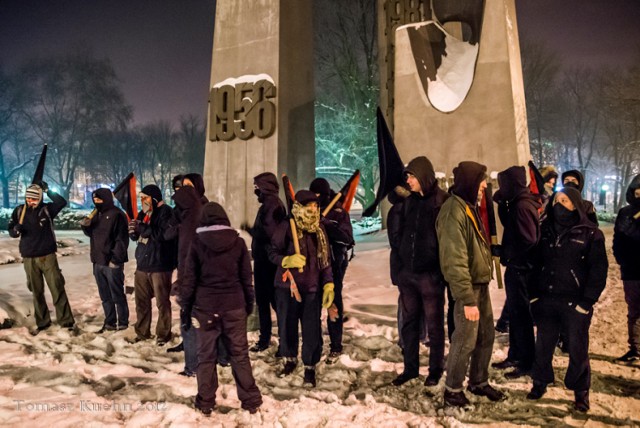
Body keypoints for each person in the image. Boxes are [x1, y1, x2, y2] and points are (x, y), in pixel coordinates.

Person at [527, 187, 608, 412]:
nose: (560, 205)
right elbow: (533, 265)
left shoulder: (590, 233)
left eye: (565, 200)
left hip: (576, 303)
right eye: (556, 200)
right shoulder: (544, 230)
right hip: (546, 299)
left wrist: (587, 301)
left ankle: (581, 391)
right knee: (543, 344)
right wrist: (533, 295)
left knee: (578, 348)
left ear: (576, 204)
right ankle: (540, 381)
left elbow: (598, 270)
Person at [180, 202, 262, 416]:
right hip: (234, 306)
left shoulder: (197, 243)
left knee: (205, 356)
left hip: (205, 308)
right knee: (239, 355)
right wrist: (248, 304)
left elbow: (189, 280)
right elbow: (246, 278)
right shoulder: (238, 243)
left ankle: (205, 401)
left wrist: (186, 309)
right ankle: (251, 400)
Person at [436, 161, 505, 407]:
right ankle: (453, 389)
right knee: (465, 339)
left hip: (480, 284)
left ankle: (479, 381)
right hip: (468, 288)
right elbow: (454, 259)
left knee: (485, 336)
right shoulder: (453, 211)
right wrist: (466, 298)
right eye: (481, 180)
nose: (484, 185)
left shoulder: (468, 207)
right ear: (469, 182)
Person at [387, 156, 449, 387]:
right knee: (409, 323)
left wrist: (439, 270)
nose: (408, 181)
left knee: (434, 325)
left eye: (411, 176)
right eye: (407, 176)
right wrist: (402, 268)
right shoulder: (409, 202)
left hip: (431, 275)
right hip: (408, 275)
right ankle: (410, 368)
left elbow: (446, 239)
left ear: (423, 175)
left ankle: (435, 370)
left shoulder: (442, 201)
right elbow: (399, 234)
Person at [269, 190, 334, 387]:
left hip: (312, 288)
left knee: (311, 328)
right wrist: (286, 260)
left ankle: (310, 367)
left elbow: (326, 261)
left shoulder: (319, 229)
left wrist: (328, 283)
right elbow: (272, 252)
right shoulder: (286, 227)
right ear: (299, 207)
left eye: (315, 206)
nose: (313, 209)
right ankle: (289, 358)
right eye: (309, 206)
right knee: (287, 326)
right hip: (287, 287)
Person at [491, 166, 540, 378]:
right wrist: (502, 203)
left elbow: (528, 240)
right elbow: (512, 227)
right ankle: (516, 354)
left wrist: (506, 251)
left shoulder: (522, 206)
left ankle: (526, 361)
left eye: (504, 184)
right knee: (516, 316)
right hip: (518, 267)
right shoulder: (519, 203)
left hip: (522, 270)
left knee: (522, 318)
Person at [8, 182, 75, 335]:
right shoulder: (19, 211)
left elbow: (61, 202)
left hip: (47, 256)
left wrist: (47, 190)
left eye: (34, 199)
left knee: (57, 288)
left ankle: (66, 321)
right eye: (28, 198)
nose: (30, 202)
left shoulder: (47, 210)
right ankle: (43, 322)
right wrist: (14, 231)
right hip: (29, 258)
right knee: (36, 292)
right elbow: (10, 228)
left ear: (39, 198)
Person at [309, 177, 355, 363]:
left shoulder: (338, 213)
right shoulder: (309, 210)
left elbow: (347, 238)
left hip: (335, 263)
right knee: (314, 303)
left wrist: (327, 225)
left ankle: (336, 344)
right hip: (314, 265)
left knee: (333, 302)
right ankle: (316, 344)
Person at [168, 173, 209, 375]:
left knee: (192, 320)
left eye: (189, 186)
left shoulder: (200, 212)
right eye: (182, 186)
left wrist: (186, 280)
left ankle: (194, 365)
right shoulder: (184, 213)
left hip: (195, 277)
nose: (184, 189)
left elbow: (194, 251)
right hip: (186, 273)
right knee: (191, 320)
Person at [128, 184, 177, 345]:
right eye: (141, 198)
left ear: (154, 199)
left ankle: (163, 334)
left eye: (145, 198)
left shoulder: (167, 213)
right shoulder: (143, 214)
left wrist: (145, 228)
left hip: (160, 264)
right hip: (143, 264)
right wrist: (134, 233)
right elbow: (141, 236)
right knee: (141, 302)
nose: (143, 201)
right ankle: (142, 332)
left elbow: (165, 235)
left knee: (162, 302)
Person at [80, 188, 130, 332]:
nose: (97, 202)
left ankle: (123, 323)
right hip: (98, 260)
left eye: (99, 200)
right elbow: (94, 234)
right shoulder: (96, 214)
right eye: (94, 200)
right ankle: (109, 322)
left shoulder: (117, 215)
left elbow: (121, 240)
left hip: (111, 262)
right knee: (105, 296)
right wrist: (86, 227)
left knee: (117, 294)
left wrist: (116, 259)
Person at [249, 172, 286, 352]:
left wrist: (253, 232)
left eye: (257, 188)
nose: (256, 192)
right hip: (263, 260)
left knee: (271, 302)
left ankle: (278, 340)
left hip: (268, 263)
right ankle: (268, 339)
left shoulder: (272, 205)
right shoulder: (268, 204)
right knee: (265, 302)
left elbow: (271, 235)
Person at [612, 174, 640, 362]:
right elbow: (618, 239)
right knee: (635, 311)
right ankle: (636, 349)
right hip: (632, 271)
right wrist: (622, 260)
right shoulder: (626, 213)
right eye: (637, 192)